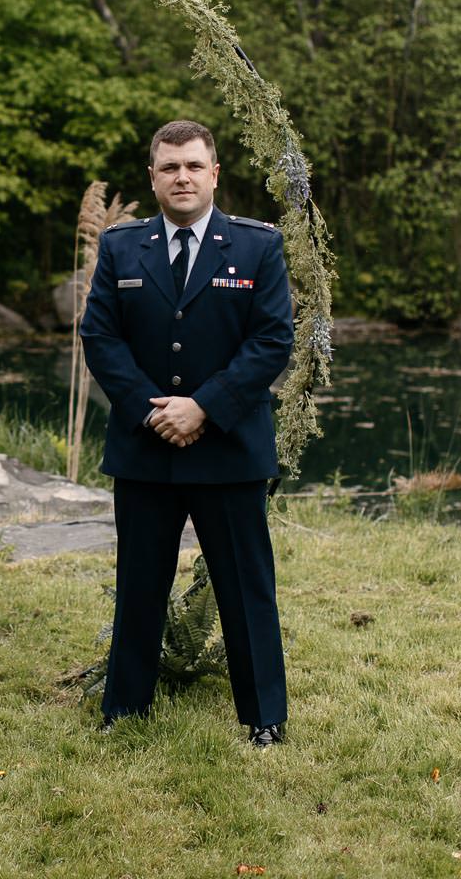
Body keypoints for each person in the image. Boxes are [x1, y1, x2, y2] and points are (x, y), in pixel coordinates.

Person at [80, 118, 295, 746]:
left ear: (215, 173)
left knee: (245, 589)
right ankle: (125, 712)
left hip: (228, 448)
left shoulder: (257, 246)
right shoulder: (123, 247)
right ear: (153, 177)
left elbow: (271, 340)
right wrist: (155, 410)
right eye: (170, 167)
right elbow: (101, 337)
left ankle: (265, 720)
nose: (182, 177)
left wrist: (202, 407)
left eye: (194, 166)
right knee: (140, 585)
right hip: (146, 447)